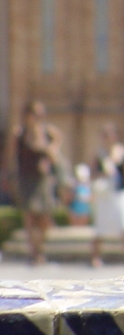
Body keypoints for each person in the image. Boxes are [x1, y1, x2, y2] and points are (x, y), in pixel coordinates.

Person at [12, 101, 63, 265]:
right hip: (26, 178)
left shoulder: (49, 133)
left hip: (44, 180)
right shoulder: (19, 133)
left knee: (44, 217)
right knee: (29, 215)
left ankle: (40, 248)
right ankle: (33, 253)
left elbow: (55, 155)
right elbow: (12, 157)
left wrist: (47, 149)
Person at [91, 123, 124, 267]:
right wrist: (102, 173)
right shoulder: (99, 154)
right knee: (100, 227)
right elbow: (92, 174)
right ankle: (96, 257)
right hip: (105, 194)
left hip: (122, 192)